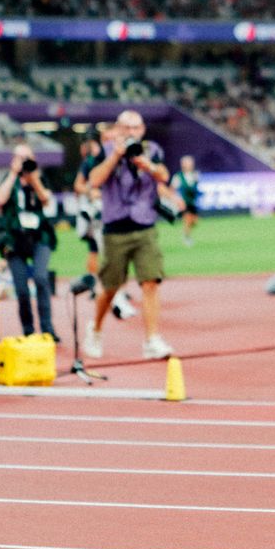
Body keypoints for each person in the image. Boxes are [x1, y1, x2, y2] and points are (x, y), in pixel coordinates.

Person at [83, 110, 173, 361]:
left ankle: (152, 339)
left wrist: (148, 165)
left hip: (145, 225)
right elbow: (94, 180)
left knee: (151, 281)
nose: (131, 132)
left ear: (142, 130)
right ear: (119, 129)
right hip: (116, 227)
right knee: (110, 287)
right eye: (126, 128)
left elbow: (165, 176)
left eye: (135, 128)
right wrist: (116, 156)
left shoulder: (152, 150)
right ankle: (96, 329)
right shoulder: (107, 149)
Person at [0, 142, 57, 341]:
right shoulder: (9, 178)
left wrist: (34, 179)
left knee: (41, 278)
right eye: (19, 158)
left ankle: (47, 329)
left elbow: (46, 200)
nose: (24, 162)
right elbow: (0, 200)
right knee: (21, 289)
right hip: (15, 238)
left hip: (39, 236)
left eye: (27, 158)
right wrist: (14, 174)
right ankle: (29, 330)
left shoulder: (39, 177)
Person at [72, 130, 136, 323]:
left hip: (117, 213)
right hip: (99, 214)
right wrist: (94, 192)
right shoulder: (93, 161)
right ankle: (107, 292)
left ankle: (116, 293)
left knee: (119, 254)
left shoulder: (126, 158)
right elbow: (80, 185)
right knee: (100, 252)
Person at [170, 154, 202, 247]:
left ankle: (187, 234)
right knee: (187, 219)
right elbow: (172, 189)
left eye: (191, 163)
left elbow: (196, 188)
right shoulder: (178, 176)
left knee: (195, 221)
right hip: (184, 203)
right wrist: (176, 200)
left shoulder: (195, 175)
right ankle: (186, 237)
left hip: (193, 202)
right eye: (187, 163)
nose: (190, 165)